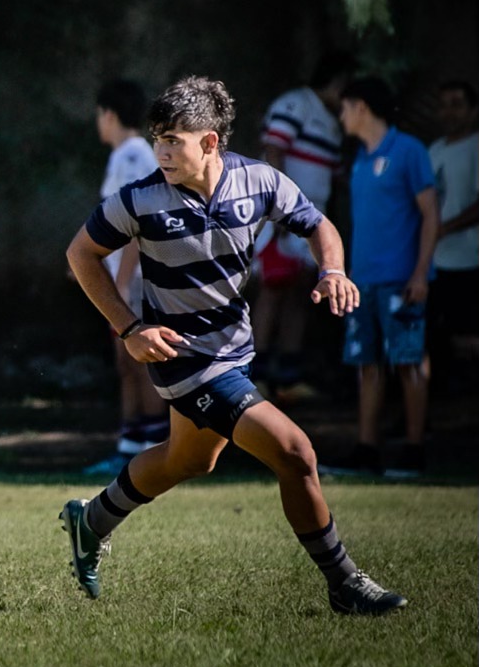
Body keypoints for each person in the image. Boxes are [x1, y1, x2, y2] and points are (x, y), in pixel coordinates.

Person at [61, 75, 406, 616]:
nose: (163, 151)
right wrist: (130, 328)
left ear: (210, 142)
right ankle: (345, 582)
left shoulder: (259, 182)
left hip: (233, 351)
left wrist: (332, 269)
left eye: (175, 139)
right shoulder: (140, 199)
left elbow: (319, 225)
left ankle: (92, 520)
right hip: (185, 359)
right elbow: (80, 255)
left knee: (188, 460)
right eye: (158, 138)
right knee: (295, 453)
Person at [320, 77, 438, 478]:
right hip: (362, 281)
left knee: (408, 363)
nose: (341, 115)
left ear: (362, 107)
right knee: (366, 366)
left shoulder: (409, 151)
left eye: (345, 107)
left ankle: (413, 450)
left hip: (402, 279)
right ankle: (367, 449)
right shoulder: (360, 157)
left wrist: (421, 272)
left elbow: (430, 215)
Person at [252, 51, 355, 401]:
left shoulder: (331, 120)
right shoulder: (296, 104)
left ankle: (288, 375)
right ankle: (257, 376)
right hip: (284, 217)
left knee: (302, 291)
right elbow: (273, 149)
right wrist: (277, 209)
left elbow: (334, 173)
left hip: (312, 219)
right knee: (273, 288)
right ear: (338, 81)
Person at [82, 79, 168, 476]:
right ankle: (130, 446)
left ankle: (156, 450)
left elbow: (137, 226)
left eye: (99, 114)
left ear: (109, 115)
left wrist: (120, 282)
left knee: (141, 361)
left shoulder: (131, 155)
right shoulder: (126, 155)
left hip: (136, 281)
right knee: (125, 361)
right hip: (123, 277)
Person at [426, 80, 479, 394]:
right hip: (435, 259)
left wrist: (446, 228)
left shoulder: (475, 145)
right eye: (444, 104)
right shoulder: (434, 150)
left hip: (470, 257)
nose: (449, 112)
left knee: (470, 335)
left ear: (473, 111)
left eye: (457, 104)